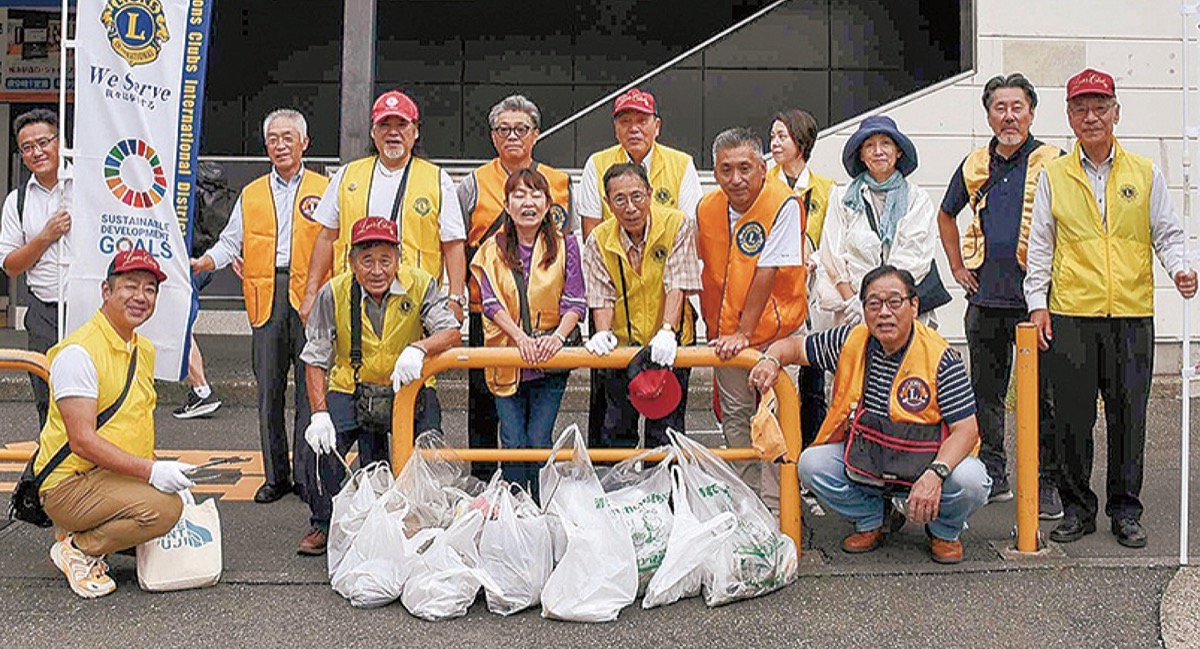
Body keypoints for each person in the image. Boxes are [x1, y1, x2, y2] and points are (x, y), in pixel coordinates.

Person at [1025, 68, 1197, 548]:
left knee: (1129, 417)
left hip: (1130, 314)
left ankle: (1126, 510)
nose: (1091, 116)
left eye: (1101, 107)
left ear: (1116, 113)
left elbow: (1168, 234)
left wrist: (1182, 269)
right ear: (1069, 116)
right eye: (1081, 108)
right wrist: (1038, 304)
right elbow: (1041, 246)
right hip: (1072, 314)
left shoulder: (1145, 173)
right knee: (1072, 421)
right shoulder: (1054, 176)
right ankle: (1077, 508)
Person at [751, 265, 989, 564]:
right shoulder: (851, 340)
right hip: (871, 455)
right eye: (874, 304)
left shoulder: (941, 357)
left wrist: (936, 474)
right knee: (811, 465)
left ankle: (944, 530)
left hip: (926, 458)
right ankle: (873, 519)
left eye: (894, 302)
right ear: (863, 309)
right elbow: (794, 347)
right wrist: (771, 359)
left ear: (914, 306)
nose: (884, 313)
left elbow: (966, 430)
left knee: (972, 480)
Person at [936, 73, 1064, 515]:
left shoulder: (1053, 161)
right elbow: (946, 214)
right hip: (986, 298)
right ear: (988, 113)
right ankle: (994, 470)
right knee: (984, 394)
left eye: (1017, 107)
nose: (1009, 116)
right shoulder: (975, 164)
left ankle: (1047, 482)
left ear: (1031, 111)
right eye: (999, 108)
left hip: (1039, 304)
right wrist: (956, 267)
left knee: (1046, 395)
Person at [36, 249, 194, 598]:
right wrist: (152, 474)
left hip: (107, 477)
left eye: (150, 289)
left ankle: (92, 532)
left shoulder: (143, 349)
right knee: (165, 510)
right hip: (70, 484)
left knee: (173, 502)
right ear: (106, 291)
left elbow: (133, 421)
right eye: (130, 286)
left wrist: (161, 469)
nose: (141, 296)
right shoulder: (78, 352)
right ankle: (79, 548)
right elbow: (82, 442)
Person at [192, 109, 329, 505]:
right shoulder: (251, 193)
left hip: (311, 298)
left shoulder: (325, 188)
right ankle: (276, 476)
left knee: (310, 389)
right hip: (265, 296)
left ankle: (307, 474)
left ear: (305, 143)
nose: (280, 145)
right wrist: (205, 261)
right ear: (265, 145)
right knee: (268, 391)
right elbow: (229, 243)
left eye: (289, 137)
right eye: (273, 138)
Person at [299, 216, 460, 555]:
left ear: (398, 259)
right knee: (316, 451)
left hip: (409, 385)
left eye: (385, 260)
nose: (376, 270)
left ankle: (419, 521)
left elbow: (451, 331)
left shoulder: (420, 284)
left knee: (429, 453)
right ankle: (326, 522)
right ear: (351, 261)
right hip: (352, 384)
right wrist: (319, 414)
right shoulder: (334, 292)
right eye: (366, 260)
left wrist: (420, 348)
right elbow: (314, 355)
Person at [458, 94, 574, 481]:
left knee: (532, 420)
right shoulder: (472, 183)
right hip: (488, 313)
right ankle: (484, 480)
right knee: (484, 402)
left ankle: (527, 488)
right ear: (493, 137)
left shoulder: (557, 182)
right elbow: (458, 244)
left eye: (521, 129)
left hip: (545, 323)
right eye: (504, 129)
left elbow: (565, 242)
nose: (512, 136)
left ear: (536, 135)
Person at [576, 88, 702, 443]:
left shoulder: (681, 166)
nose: (634, 128)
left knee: (667, 431)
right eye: (625, 121)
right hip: (617, 328)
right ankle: (616, 495)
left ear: (656, 125)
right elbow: (594, 245)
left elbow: (683, 257)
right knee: (613, 427)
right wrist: (603, 330)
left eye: (642, 120)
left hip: (669, 327)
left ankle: (665, 496)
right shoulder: (597, 165)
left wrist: (668, 329)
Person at [697, 127, 807, 493]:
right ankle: (747, 503)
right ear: (715, 171)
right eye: (726, 169)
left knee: (776, 420)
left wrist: (744, 333)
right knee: (735, 421)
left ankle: (780, 507)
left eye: (745, 168)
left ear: (762, 167)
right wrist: (727, 334)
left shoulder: (785, 203)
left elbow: (767, 269)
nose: (736, 178)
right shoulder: (706, 208)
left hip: (778, 334)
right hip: (726, 337)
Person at [301, 89, 466, 325]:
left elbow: (453, 244)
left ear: (415, 131)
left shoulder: (437, 180)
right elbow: (327, 237)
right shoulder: (347, 175)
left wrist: (455, 299)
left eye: (401, 124)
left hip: (416, 302)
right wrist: (311, 292)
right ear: (373, 132)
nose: (393, 133)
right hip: (353, 299)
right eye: (384, 125)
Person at [470, 169, 585, 494]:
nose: (528, 203)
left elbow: (575, 300)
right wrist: (520, 339)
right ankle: (515, 508)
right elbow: (489, 302)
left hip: (550, 360)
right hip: (507, 354)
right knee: (512, 439)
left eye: (536, 195)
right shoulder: (492, 248)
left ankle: (537, 506)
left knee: (537, 440)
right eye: (519, 195)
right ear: (506, 205)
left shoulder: (568, 246)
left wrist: (556, 339)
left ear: (549, 204)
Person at [818, 115, 941, 328]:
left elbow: (914, 254)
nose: (878, 151)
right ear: (861, 155)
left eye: (886, 143)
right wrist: (854, 302)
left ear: (898, 151)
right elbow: (832, 254)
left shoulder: (916, 198)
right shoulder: (842, 197)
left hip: (900, 308)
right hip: (852, 313)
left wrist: (879, 300)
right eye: (869, 145)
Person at [768, 108, 836, 447]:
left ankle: (809, 456)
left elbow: (835, 241)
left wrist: (816, 263)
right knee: (776, 383)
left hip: (815, 298)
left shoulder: (827, 189)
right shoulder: (764, 185)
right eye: (773, 136)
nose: (775, 143)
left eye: (782, 136)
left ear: (802, 141)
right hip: (776, 297)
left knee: (814, 382)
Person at [0, 109, 71, 428]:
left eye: (44, 142)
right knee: (46, 396)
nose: (37, 152)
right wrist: (45, 236)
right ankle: (54, 470)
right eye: (27, 147)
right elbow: (11, 265)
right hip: (43, 311)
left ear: (60, 142)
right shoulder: (17, 201)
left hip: (91, 308)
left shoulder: (89, 187)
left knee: (96, 394)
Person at [173, 161, 236, 419]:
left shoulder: (174, 175)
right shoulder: (195, 176)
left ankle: (201, 390)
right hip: (203, 258)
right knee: (178, 323)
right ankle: (200, 391)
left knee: (175, 323)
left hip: (189, 261)